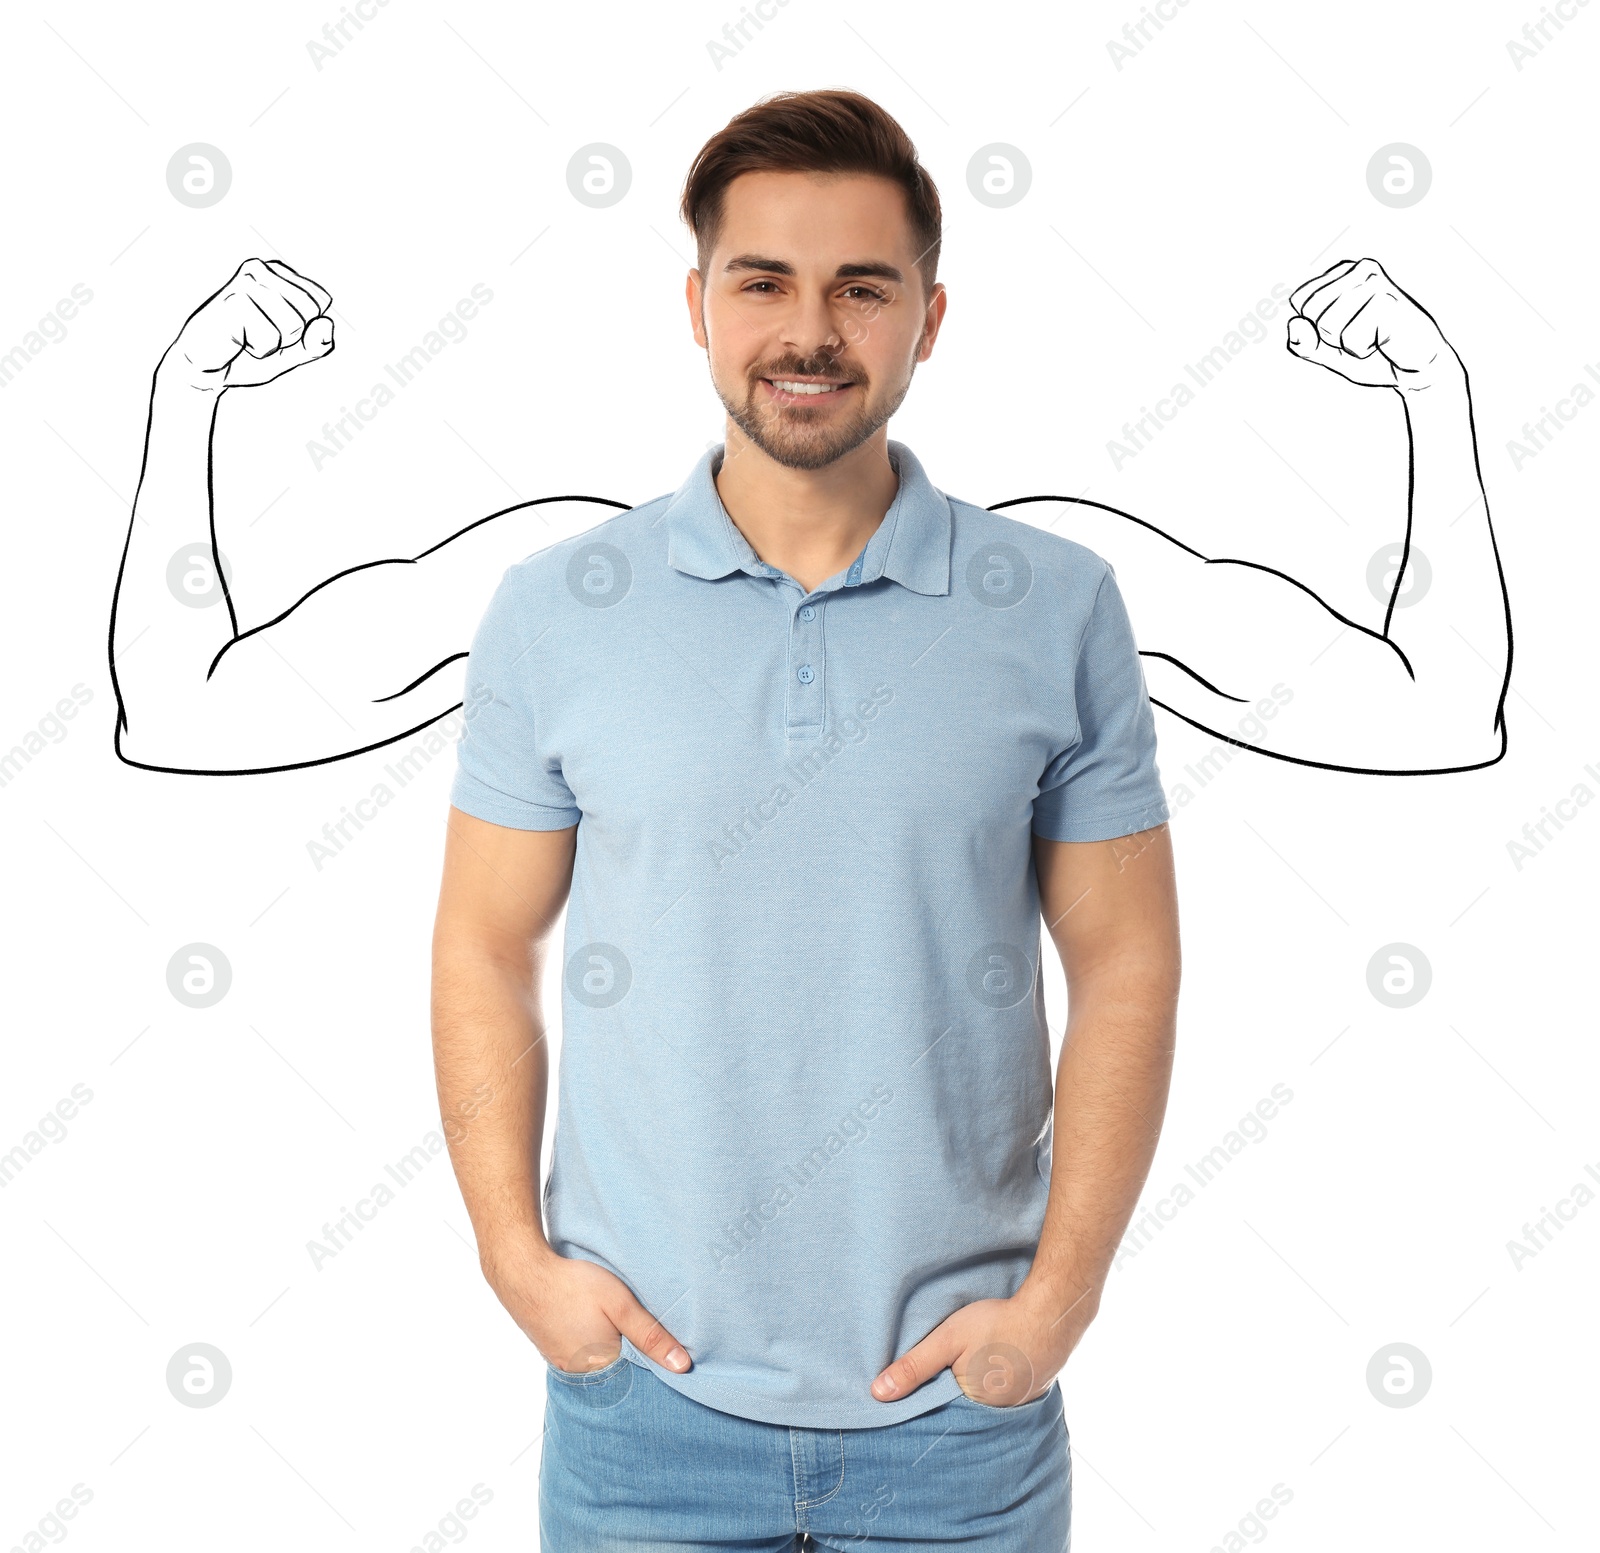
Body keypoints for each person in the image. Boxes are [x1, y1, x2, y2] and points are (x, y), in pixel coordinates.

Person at [110, 86, 1508, 1551]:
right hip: (642, 1410)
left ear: (930, 316)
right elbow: (470, 934)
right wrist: (516, 1260)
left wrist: (1061, 1300)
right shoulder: (560, 606)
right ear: (698, 307)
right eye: (762, 281)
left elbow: (1138, 955)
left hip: (960, 1418)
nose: (809, 330)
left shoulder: (1052, 601)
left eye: (862, 286)